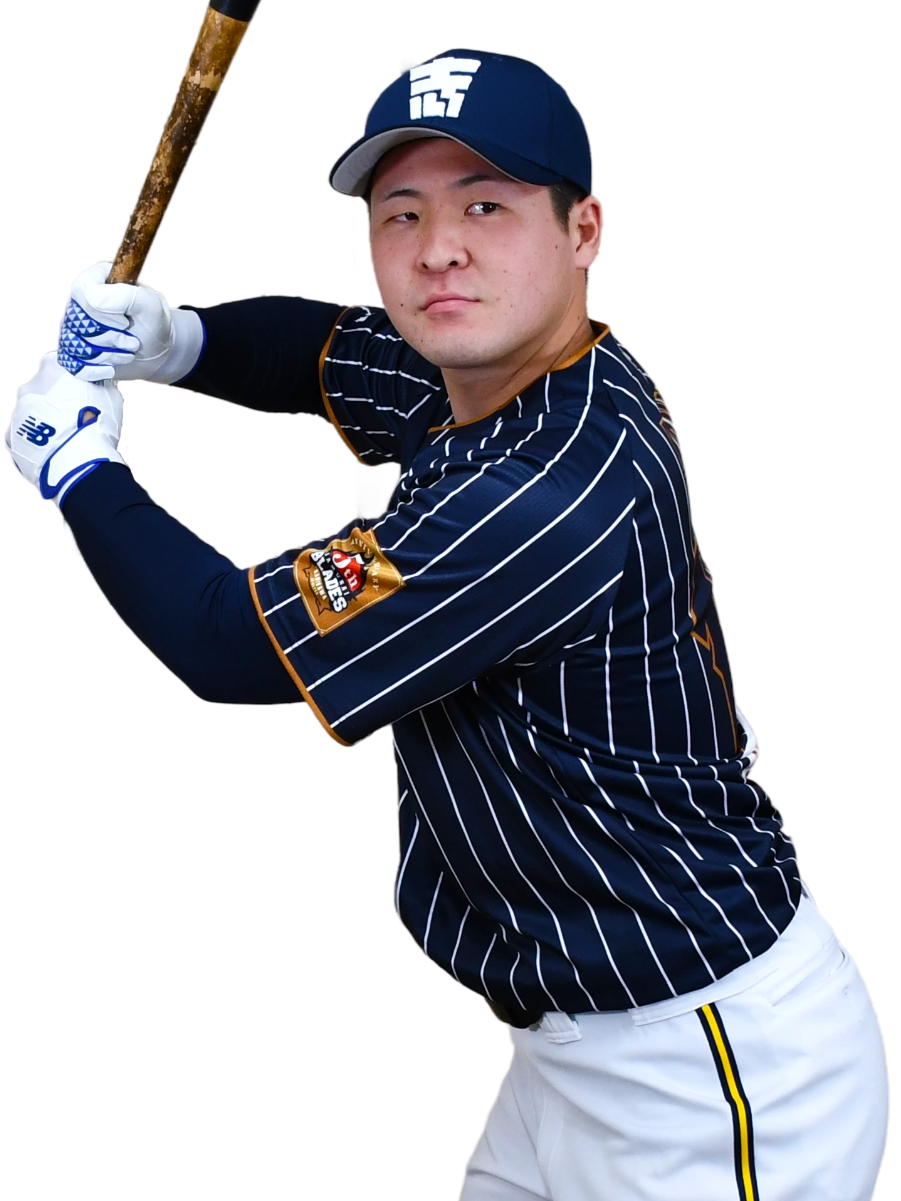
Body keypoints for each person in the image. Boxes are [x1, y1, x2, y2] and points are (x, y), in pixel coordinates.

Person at [5, 48, 890, 1200]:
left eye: (485, 206)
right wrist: (176, 341)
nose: (437, 250)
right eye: (401, 213)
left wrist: (77, 469)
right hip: (567, 1047)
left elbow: (225, 643)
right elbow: (325, 350)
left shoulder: (546, 491)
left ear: (584, 231)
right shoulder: (501, 365)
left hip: (709, 1067)